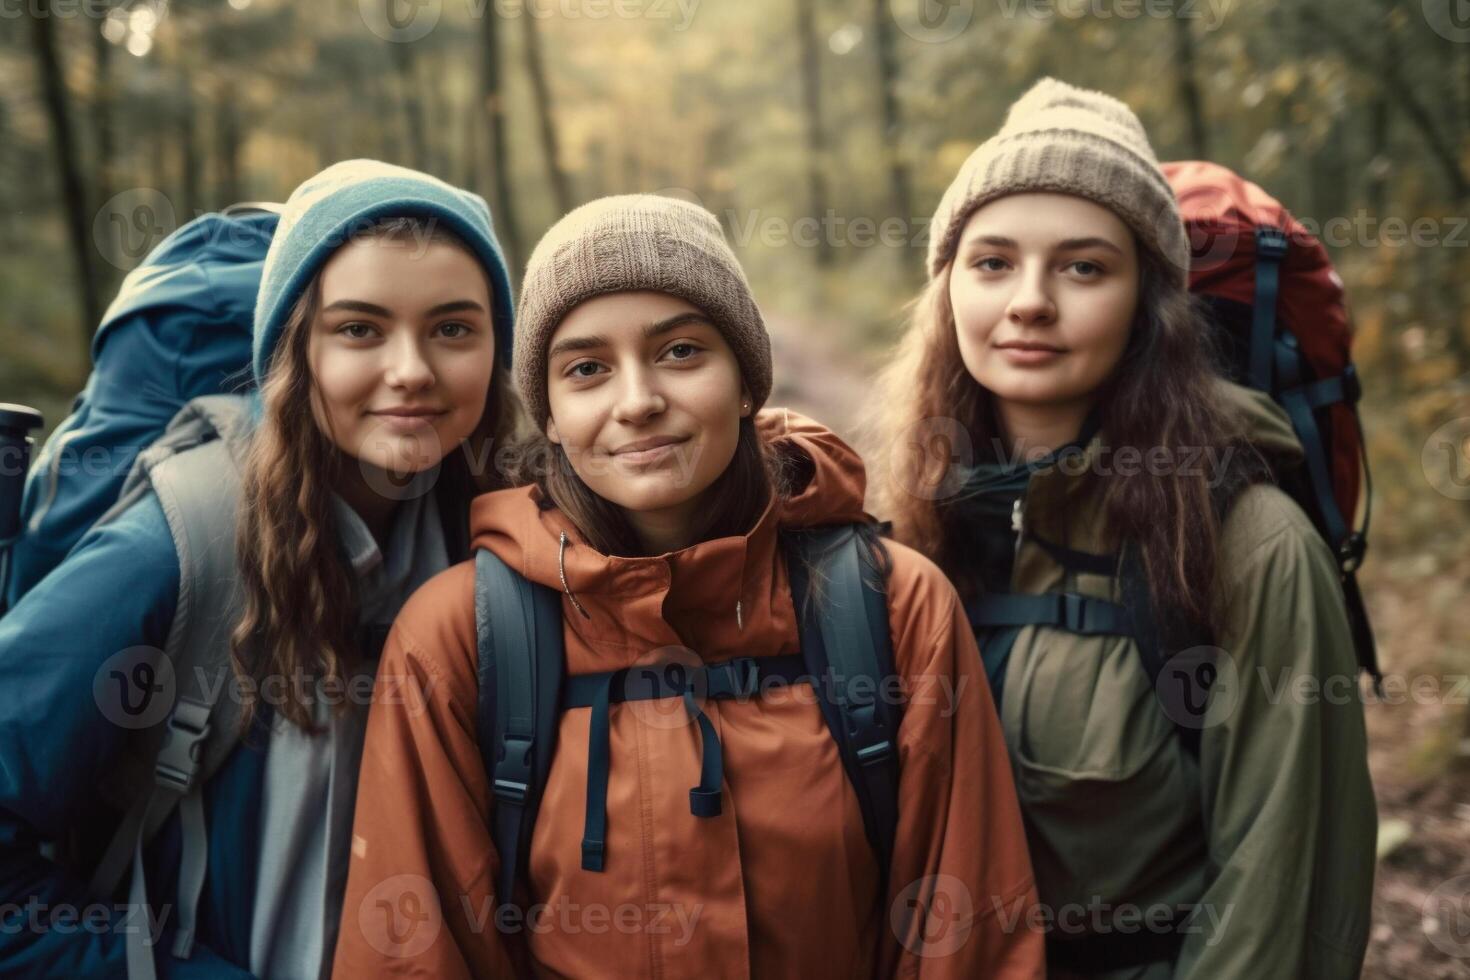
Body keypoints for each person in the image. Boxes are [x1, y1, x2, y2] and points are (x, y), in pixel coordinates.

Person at [331, 194, 1045, 978]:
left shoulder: (895, 608)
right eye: (587, 369)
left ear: (746, 383)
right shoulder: (461, 636)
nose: (637, 401)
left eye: (680, 352)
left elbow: (969, 945)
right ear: (554, 417)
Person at [870, 78, 1377, 978]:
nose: (1029, 301)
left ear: (1149, 303)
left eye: (1083, 267)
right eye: (992, 263)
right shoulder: (907, 529)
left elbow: (1280, 893)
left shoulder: (1248, 545)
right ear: (948, 290)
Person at [0, 159, 518, 979]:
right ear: (293, 349)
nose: (412, 369)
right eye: (359, 329)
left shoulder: (496, 526)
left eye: (453, 328)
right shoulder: (186, 542)